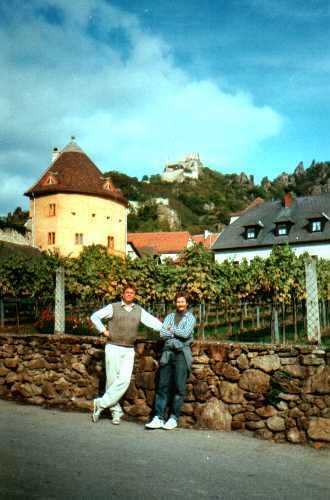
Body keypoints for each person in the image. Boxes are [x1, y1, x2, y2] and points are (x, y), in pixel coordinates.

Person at [90, 284, 162, 425]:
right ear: (122, 294)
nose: (129, 294)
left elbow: (153, 322)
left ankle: (101, 403)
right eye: (127, 292)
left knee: (124, 380)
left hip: (128, 349)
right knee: (111, 380)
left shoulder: (138, 310)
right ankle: (116, 412)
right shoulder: (113, 307)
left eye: (132, 292)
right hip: (113, 347)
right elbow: (94, 317)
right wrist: (103, 331)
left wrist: (166, 327)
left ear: (134, 295)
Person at [145, 292, 196, 430]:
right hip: (167, 353)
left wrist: (171, 329)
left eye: (182, 301)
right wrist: (174, 332)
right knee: (162, 385)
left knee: (179, 387)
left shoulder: (191, 317)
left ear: (186, 303)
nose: (180, 304)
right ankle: (158, 417)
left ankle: (173, 417)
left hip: (181, 354)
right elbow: (162, 334)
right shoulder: (169, 316)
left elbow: (185, 334)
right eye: (178, 301)